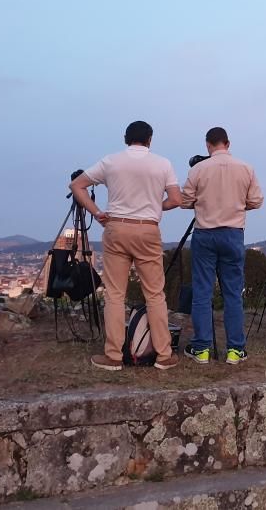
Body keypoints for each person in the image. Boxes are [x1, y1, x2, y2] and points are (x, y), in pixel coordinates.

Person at [71, 120, 181, 371]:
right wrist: (156, 205)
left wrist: (98, 212)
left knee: (115, 294)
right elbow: (175, 199)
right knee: (154, 294)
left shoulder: (111, 161)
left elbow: (77, 185)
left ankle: (113, 356)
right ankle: (164, 355)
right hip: (147, 229)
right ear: (150, 140)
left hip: (116, 226)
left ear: (125, 138)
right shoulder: (163, 164)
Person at [180, 127, 264, 366]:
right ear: (228, 143)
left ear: (208, 145)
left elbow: (185, 201)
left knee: (202, 292)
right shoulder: (246, 168)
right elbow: (256, 200)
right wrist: (237, 205)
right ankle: (235, 350)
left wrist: (203, 204)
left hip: (205, 233)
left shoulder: (198, 169)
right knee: (233, 293)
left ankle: (202, 348)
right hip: (233, 233)